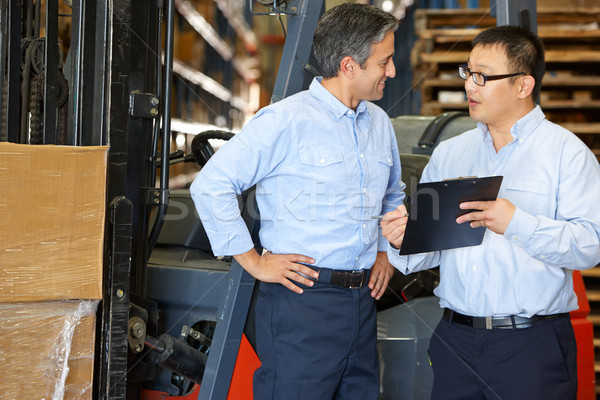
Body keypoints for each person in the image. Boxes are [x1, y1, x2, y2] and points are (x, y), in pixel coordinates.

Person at [190, 3, 403, 399]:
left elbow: (392, 194)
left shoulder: (379, 124)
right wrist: (253, 260)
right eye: (384, 62)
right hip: (303, 303)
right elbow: (211, 184)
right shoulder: (285, 121)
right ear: (349, 66)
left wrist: (384, 253)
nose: (391, 71)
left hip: (362, 303)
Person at [382, 25, 600, 400]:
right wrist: (406, 239)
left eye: (483, 76)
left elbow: (591, 246)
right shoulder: (452, 153)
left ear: (523, 85)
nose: (470, 86)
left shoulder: (566, 153)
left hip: (531, 345)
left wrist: (517, 223)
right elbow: (431, 251)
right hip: (455, 339)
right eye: (468, 73)